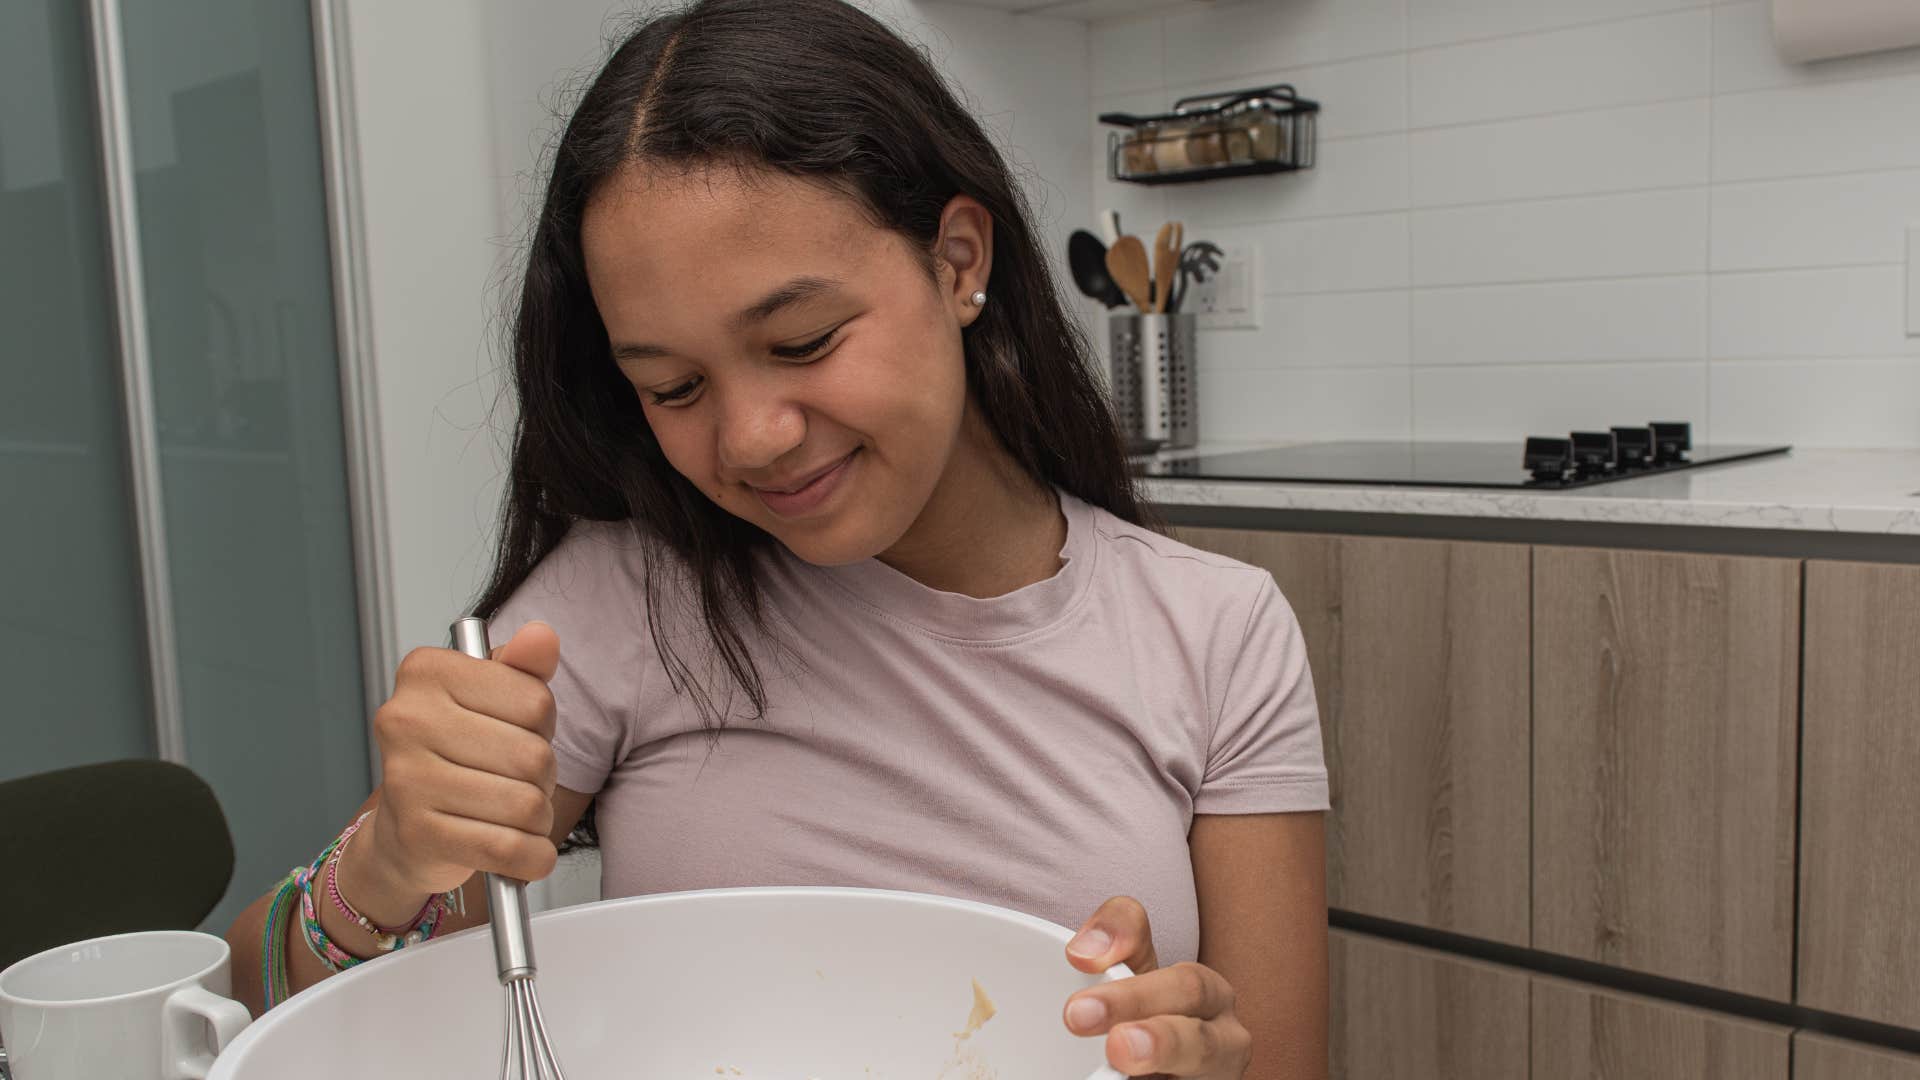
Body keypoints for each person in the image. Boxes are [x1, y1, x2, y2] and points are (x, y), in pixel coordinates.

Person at [226, 1, 1330, 1075]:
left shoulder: (1215, 631)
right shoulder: (621, 603)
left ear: (956, 261)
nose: (751, 440)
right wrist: (380, 865)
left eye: (802, 342)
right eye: (672, 385)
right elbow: (248, 1004)